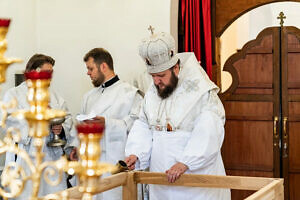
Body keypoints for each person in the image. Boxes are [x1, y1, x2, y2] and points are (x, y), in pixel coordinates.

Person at [125, 32, 231, 200]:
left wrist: (186, 162)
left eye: (161, 76)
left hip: (194, 178)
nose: (156, 82)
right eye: (153, 76)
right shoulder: (154, 93)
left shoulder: (200, 91)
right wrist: (136, 154)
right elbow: (144, 125)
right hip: (161, 180)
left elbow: (210, 127)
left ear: (176, 68)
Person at [2, 54, 78, 199]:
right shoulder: (14, 94)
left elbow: (67, 118)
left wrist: (60, 129)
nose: (50, 77)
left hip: (51, 159)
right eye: (47, 72)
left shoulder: (54, 96)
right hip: (25, 159)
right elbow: (8, 122)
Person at [79, 48, 142, 200]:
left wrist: (108, 123)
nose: (88, 73)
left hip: (114, 162)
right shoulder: (89, 97)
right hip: (92, 162)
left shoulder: (130, 93)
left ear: (104, 66)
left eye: (90, 68)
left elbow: (138, 126)